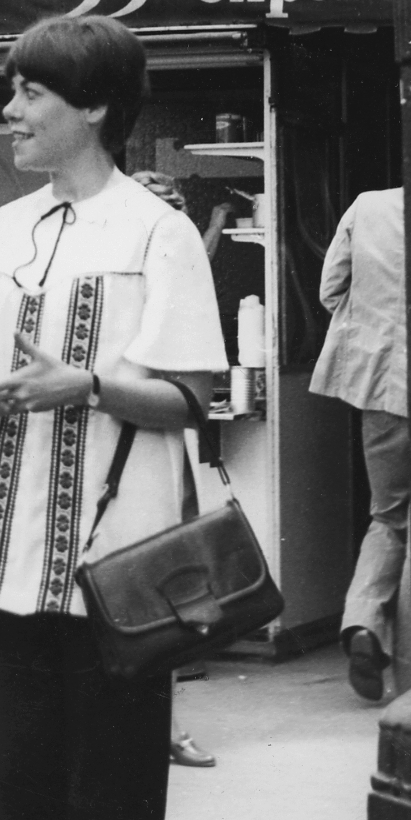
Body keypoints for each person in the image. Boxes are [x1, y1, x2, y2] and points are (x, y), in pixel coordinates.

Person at [0, 16, 227, 820]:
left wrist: (86, 385)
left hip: (116, 571)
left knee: (110, 799)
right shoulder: (0, 229)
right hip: (11, 560)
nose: (11, 110)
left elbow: (191, 395)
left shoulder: (158, 231)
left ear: (97, 107)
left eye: (31, 93)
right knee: (21, 792)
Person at [130, 169, 223, 771]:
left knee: (167, 581)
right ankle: (149, 723)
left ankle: (163, 723)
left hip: (161, 445)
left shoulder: (178, 261)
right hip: (116, 449)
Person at [308, 185, 407, 702]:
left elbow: (330, 291)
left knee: (390, 517)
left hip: (384, 387)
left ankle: (366, 624)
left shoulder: (368, 206)